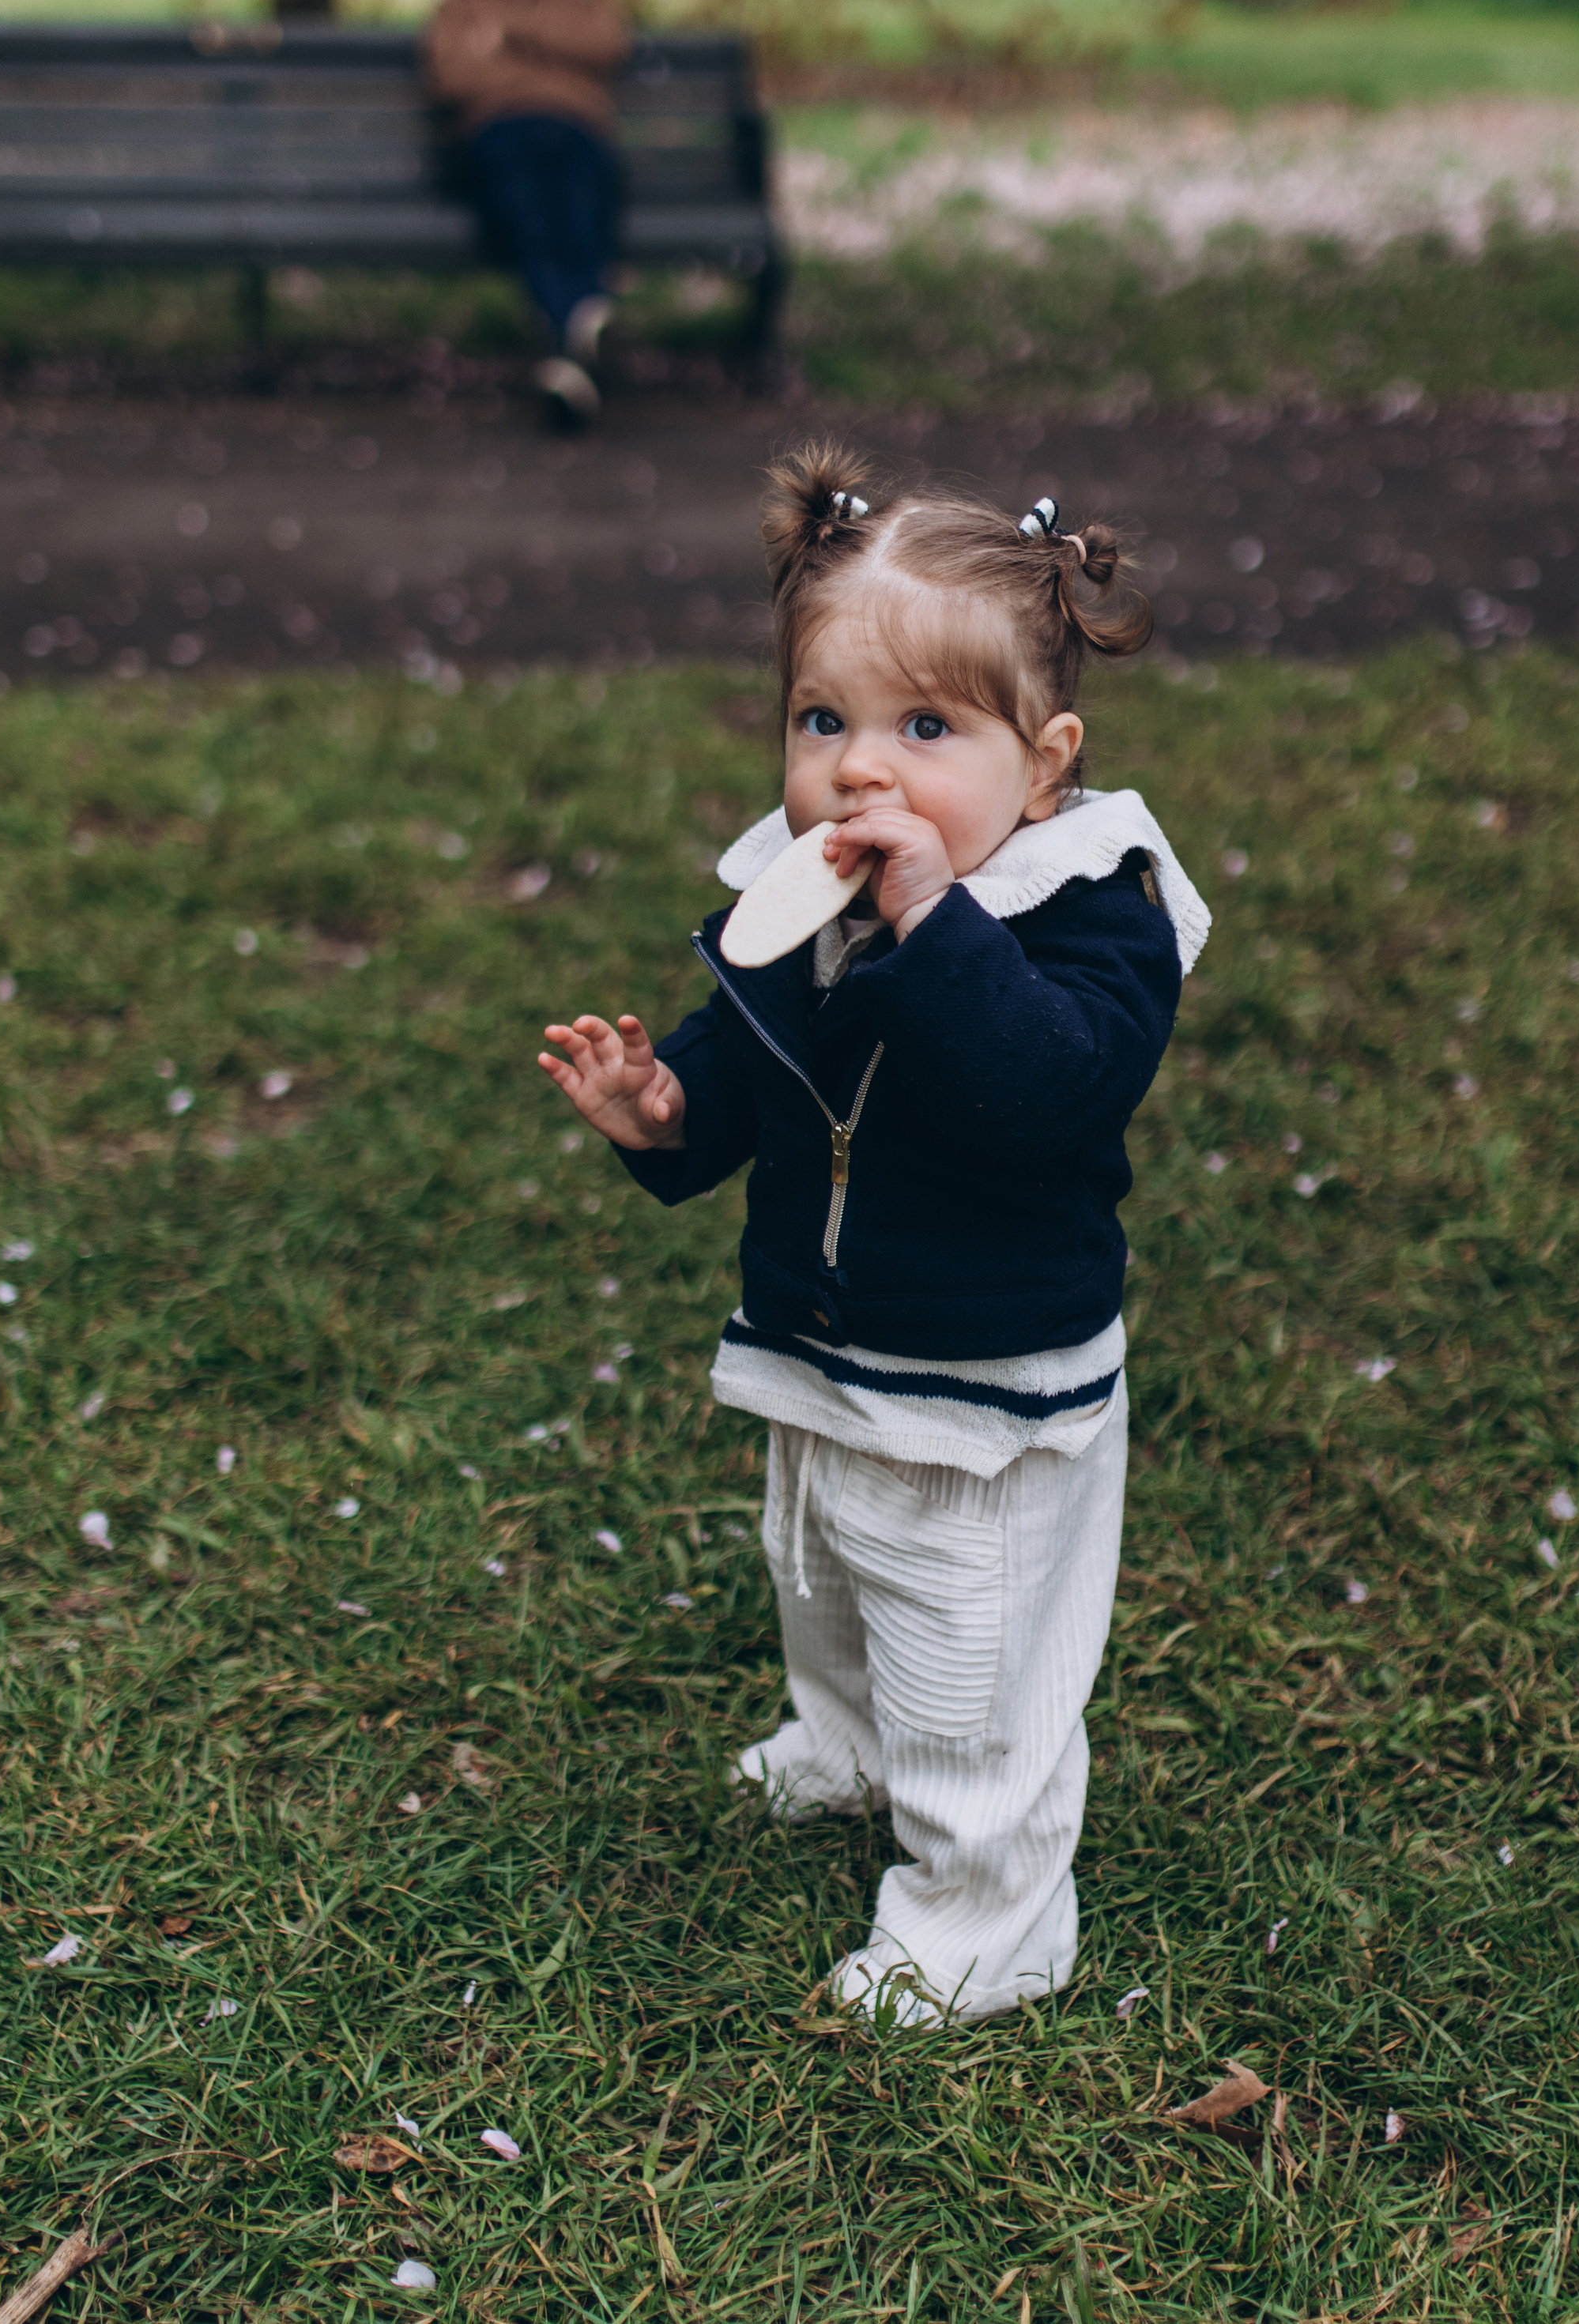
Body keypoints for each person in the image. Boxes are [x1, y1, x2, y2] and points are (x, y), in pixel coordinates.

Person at [536, 443, 1210, 2027]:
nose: (858, 771)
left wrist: (932, 926)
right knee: (826, 1570)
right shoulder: (811, 897)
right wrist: (667, 1106)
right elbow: (753, 1053)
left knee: (965, 1649)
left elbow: (1043, 1089)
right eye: (821, 720)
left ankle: (987, 1915)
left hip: (985, 1373)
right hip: (826, 1335)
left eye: (924, 729)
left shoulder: (1091, 914)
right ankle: (845, 1742)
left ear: (1041, 764)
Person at [424, 0, 631, 428]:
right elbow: (452, 78)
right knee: (528, 204)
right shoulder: (462, 4)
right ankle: (583, 319)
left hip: (575, 130)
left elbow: (606, 45)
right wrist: (555, 58)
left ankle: (566, 348)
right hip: (500, 133)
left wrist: (509, 36)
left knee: (581, 194)